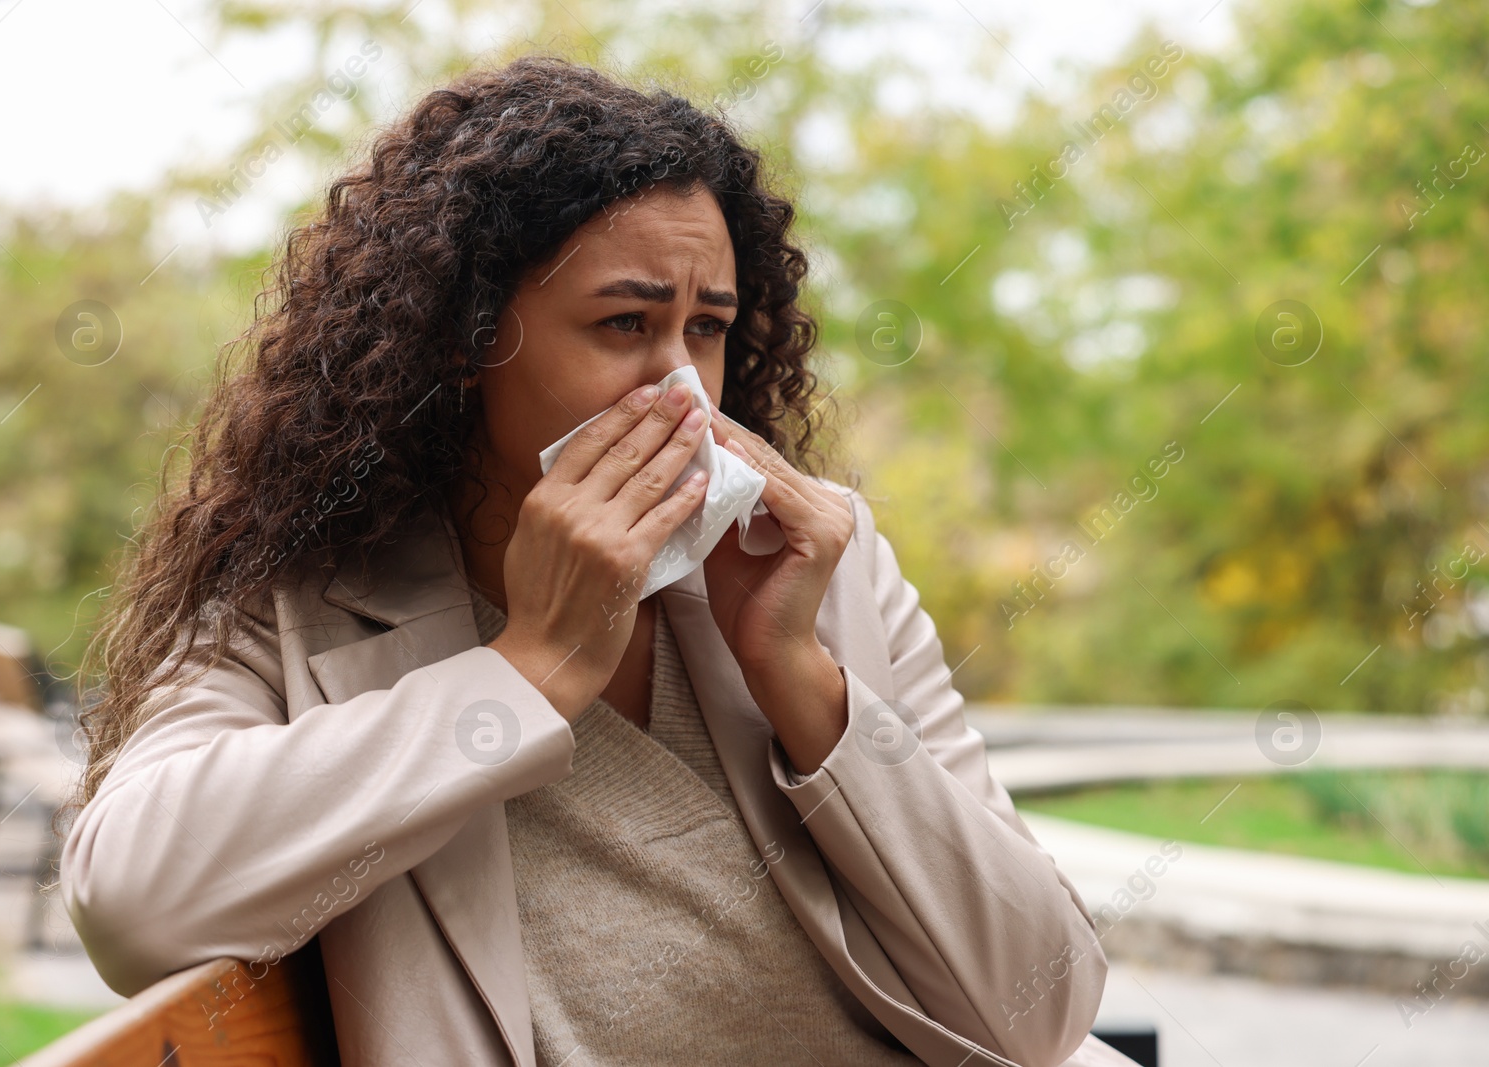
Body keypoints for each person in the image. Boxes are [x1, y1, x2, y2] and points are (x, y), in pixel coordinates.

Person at [60, 54, 1134, 1067]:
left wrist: (803, 679)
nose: (680, 390)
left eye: (705, 328)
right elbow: (132, 905)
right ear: (462, 340)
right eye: (625, 322)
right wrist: (529, 668)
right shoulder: (300, 603)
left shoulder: (820, 562)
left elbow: (1040, 1005)